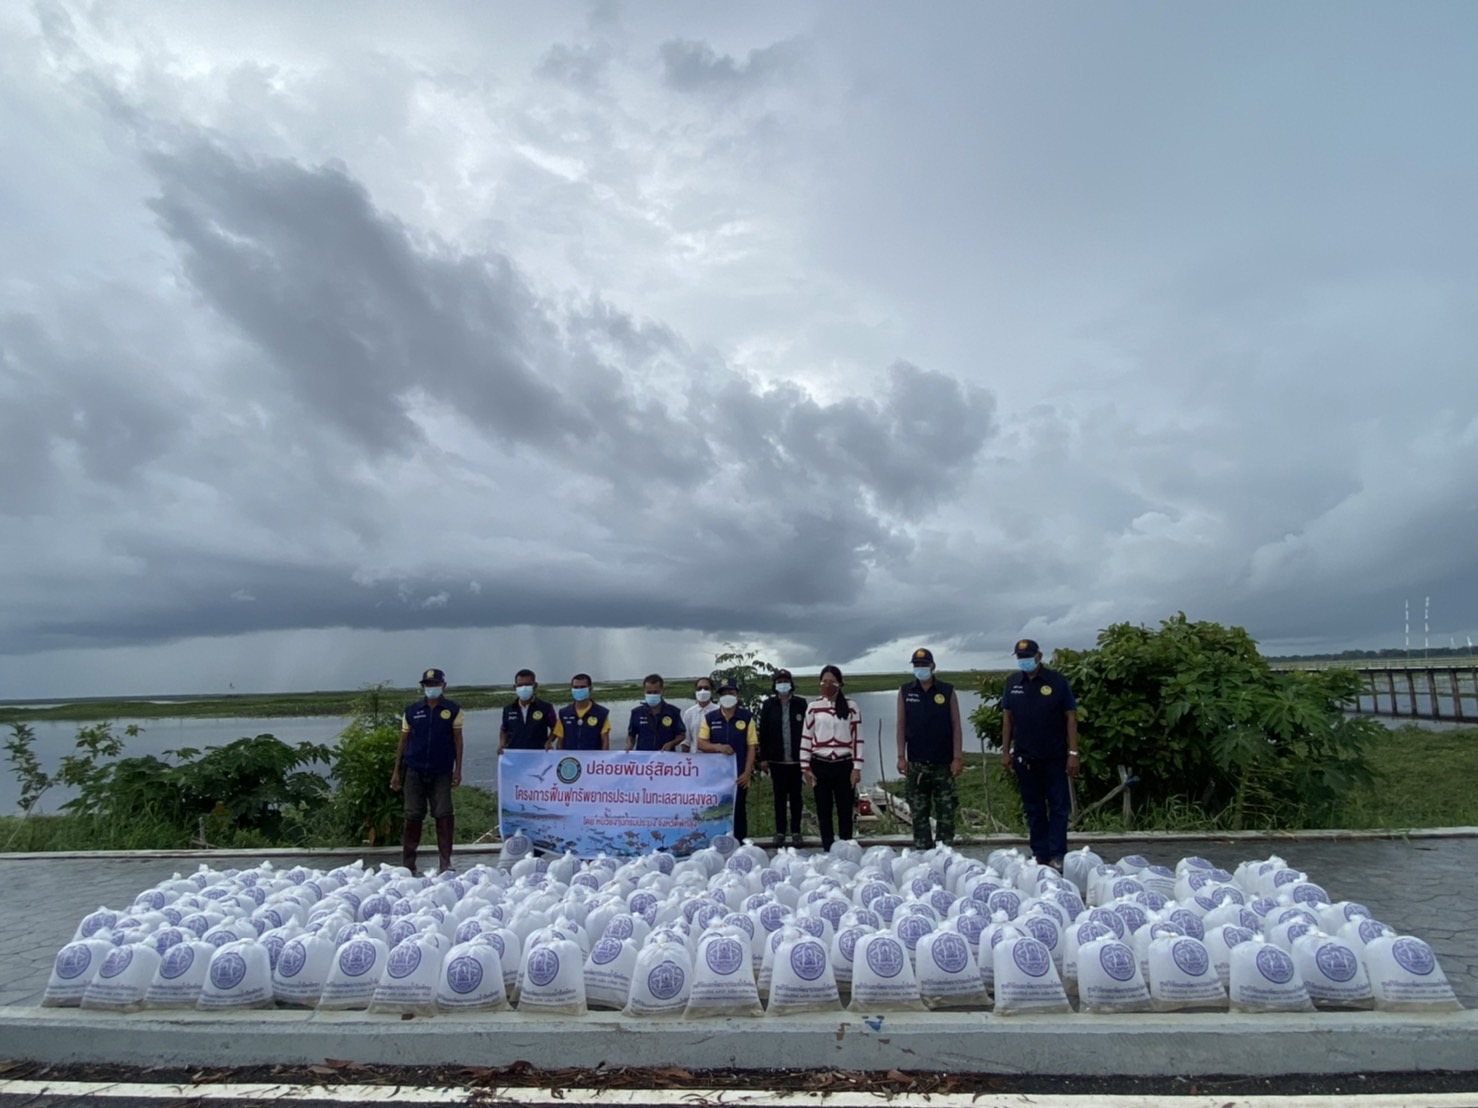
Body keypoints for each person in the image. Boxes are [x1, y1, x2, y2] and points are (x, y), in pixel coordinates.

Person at [1000, 638, 1080, 871]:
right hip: (1024, 758)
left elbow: (1071, 717)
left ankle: (1058, 854)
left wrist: (1073, 752)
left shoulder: (1057, 681)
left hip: (1054, 757)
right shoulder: (1012, 683)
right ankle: (1039, 854)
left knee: (1058, 807)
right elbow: (1007, 718)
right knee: (1033, 808)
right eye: (1020, 658)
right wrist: (1006, 752)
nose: (1023, 661)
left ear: (1039, 656)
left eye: (1027, 657)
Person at [390, 667, 464, 875]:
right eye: (428, 685)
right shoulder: (412, 711)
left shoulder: (453, 709)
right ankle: (409, 864)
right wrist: (397, 772)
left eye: (435, 684)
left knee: (443, 814)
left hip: (441, 770)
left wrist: (458, 769)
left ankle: (445, 863)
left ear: (443, 686)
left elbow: (458, 741)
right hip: (414, 770)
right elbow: (403, 742)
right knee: (413, 815)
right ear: (423, 687)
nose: (431, 688)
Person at [896, 647, 964, 848]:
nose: (920, 668)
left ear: (933, 666)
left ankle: (945, 853)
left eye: (924, 665)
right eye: (916, 665)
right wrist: (901, 756)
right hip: (916, 764)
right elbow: (901, 724)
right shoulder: (906, 691)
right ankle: (923, 852)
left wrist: (957, 757)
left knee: (946, 812)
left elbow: (956, 726)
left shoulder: (947, 691)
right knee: (919, 814)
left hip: (943, 763)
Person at [801, 665, 863, 852]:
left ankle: (846, 849)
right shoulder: (813, 707)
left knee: (845, 810)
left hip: (844, 765)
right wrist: (805, 767)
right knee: (823, 810)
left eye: (832, 682)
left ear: (840, 684)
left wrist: (857, 767)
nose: (827, 685)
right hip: (820, 764)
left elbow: (857, 738)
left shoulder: (851, 707)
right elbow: (806, 737)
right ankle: (828, 849)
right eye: (824, 682)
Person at [697, 676, 758, 840]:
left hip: (739, 776)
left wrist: (747, 773)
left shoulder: (746, 717)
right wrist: (718, 747)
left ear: (737, 694)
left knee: (739, 812)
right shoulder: (710, 718)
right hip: (716, 777)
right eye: (723, 693)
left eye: (730, 692)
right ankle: (717, 844)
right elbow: (701, 743)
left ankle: (740, 844)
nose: (727, 696)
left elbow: (752, 746)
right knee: (716, 811)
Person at [757, 668, 808, 848]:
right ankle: (780, 832)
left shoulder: (801, 704)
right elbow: (762, 732)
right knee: (779, 797)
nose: (782, 684)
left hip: (796, 760)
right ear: (774, 684)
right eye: (779, 681)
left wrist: (807, 757)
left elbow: (809, 731)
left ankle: (796, 832)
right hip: (776, 760)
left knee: (796, 796)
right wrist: (763, 758)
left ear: (791, 683)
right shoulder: (768, 705)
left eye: (785, 681)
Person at [498, 669, 558, 753]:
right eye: (520, 685)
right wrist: (502, 744)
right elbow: (504, 729)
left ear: (535, 685)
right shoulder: (508, 709)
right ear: (515, 687)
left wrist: (549, 741)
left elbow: (555, 728)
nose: (524, 688)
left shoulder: (546, 707)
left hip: (538, 755)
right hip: (514, 755)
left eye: (527, 684)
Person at [626, 673, 687, 752]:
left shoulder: (673, 712)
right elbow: (631, 735)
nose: (652, 694)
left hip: (666, 758)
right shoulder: (636, 713)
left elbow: (682, 735)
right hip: (644, 759)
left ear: (662, 691)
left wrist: (671, 744)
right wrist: (629, 744)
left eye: (655, 692)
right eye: (649, 692)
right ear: (644, 691)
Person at [556, 673, 611, 751]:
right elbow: (560, 742)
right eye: (576, 687)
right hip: (570, 761)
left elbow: (605, 742)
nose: (579, 690)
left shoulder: (601, 713)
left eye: (582, 687)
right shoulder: (564, 713)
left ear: (590, 688)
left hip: (592, 761)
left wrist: (602, 760)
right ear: (571, 689)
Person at [680, 676, 714, 755]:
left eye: (706, 688)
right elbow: (686, 741)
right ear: (695, 691)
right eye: (699, 688)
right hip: (695, 759)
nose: (703, 691)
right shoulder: (689, 713)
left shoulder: (719, 711)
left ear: (711, 691)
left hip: (715, 758)